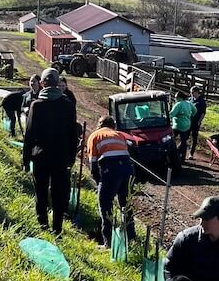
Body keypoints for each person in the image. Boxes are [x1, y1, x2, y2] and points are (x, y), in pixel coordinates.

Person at [22, 67, 79, 234]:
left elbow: (29, 133)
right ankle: (58, 230)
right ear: (57, 84)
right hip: (60, 157)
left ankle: (42, 226)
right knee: (58, 194)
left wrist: (26, 158)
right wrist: (71, 157)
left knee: (41, 192)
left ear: (42, 83)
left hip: (40, 157)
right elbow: (72, 134)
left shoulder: (36, 105)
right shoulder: (67, 105)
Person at [87, 115, 136, 245]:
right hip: (127, 168)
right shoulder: (120, 135)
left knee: (105, 204)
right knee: (126, 204)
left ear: (99, 125)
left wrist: (99, 183)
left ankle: (107, 241)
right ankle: (131, 237)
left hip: (110, 169)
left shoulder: (95, 136)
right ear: (113, 125)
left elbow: (93, 164)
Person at [170, 89, 197, 162]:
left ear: (180, 97)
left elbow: (172, 114)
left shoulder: (178, 104)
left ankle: (172, 154)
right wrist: (191, 115)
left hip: (177, 125)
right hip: (186, 125)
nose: (175, 99)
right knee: (184, 141)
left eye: (176, 97)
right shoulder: (189, 103)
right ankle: (183, 158)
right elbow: (195, 110)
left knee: (171, 139)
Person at [188, 85, 207, 158]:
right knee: (185, 136)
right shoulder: (190, 99)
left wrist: (199, 121)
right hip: (189, 121)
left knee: (194, 138)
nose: (191, 94)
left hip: (196, 122)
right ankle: (180, 150)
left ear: (196, 92)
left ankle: (191, 153)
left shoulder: (202, 101)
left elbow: (203, 113)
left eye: (192, 92)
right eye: (191, 92)